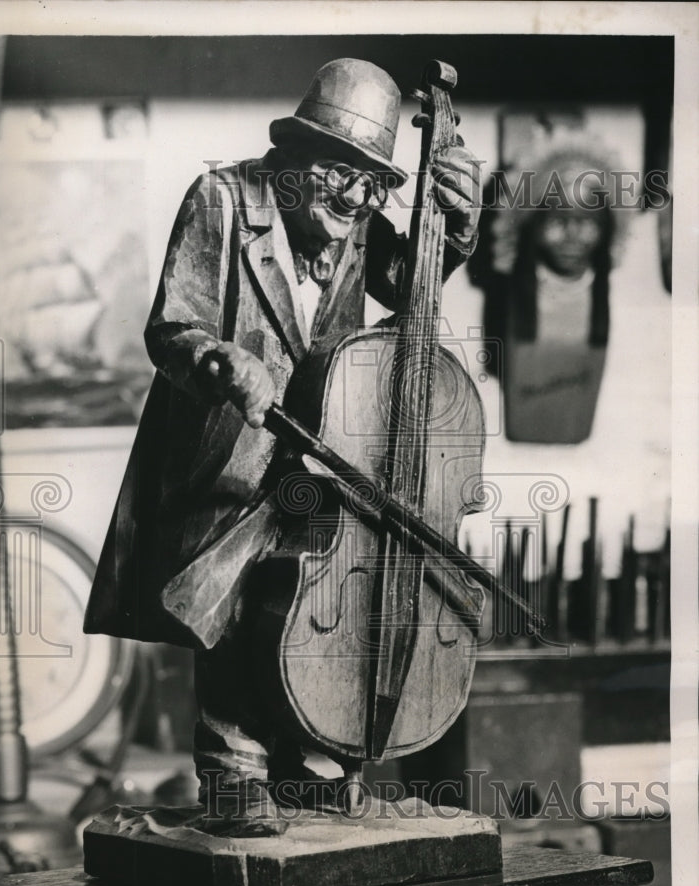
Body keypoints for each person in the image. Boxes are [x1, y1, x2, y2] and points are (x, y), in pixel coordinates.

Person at [84, 58, 481, 834]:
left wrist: (451, 233)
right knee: (228, 595)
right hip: (227, 444)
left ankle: (307, 758)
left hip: (322, 441)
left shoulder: (353, 210)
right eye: (342, 176)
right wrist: (220, 360)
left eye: (374, 185)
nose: (358, 199)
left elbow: (406, 288)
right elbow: (172, 327)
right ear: (295, 156)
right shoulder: (222, 199)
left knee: (303, 599)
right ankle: (232, 770)